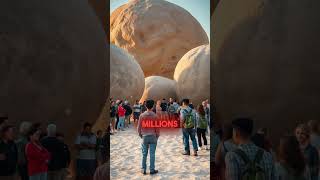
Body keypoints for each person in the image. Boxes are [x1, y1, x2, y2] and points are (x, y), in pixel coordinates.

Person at [137, 99, 160, 175]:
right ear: (153, 106)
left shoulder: (142, 116)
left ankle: (143, 169)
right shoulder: (155, 116)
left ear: (145, 106)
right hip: (153, 136)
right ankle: (152, 170)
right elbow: (157, 128)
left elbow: (139, 128)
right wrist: (157, 136)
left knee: (144, 154)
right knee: (152, 154)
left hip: (144, 136)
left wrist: (141, 135)